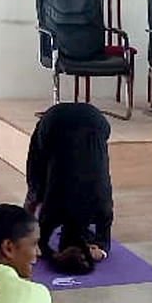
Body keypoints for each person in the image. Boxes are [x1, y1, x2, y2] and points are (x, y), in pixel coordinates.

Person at [23, 102, 113, 275]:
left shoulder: (101, 210)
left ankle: (33, 194)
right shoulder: (52, 213)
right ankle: (32, 195)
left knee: (42, 176)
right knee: (39, 182)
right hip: (59, 121)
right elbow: (38, 244)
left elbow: (104, 241)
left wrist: (101, 251)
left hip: (95, 120)